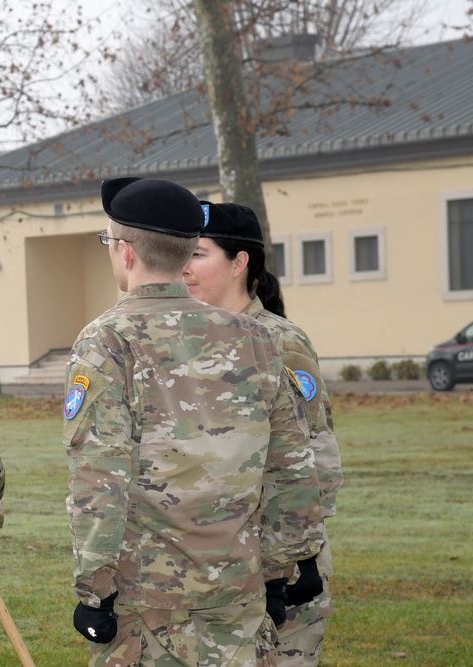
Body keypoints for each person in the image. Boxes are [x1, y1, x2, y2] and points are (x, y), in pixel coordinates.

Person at [63, 178, 324, 667]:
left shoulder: (107, 341)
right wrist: (284, 564)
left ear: (125, 252)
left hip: (149, 600)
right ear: (185, 253)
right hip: (238, 588)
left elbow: (99, 475)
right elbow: (291, 464)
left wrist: (95, 587)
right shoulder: (255, 336)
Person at [183, 201, 343, 666]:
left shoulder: (280, 341)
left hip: (280, 554)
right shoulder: (187, 339)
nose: (185, 268)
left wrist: (300, 560)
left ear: (239, 263)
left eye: (199, 254)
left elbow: (317, 451)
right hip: (215, 555)